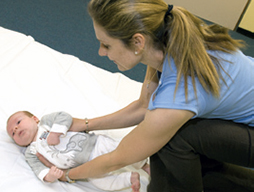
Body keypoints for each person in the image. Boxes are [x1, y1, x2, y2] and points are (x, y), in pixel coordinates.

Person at [36, 0, 254, 191]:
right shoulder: (167, 39)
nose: (101, 52)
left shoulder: (182, 91)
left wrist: (67, 175)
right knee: (169, 131)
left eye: (106, 45)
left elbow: (117, 159)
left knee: (169, 139)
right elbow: (143, 105)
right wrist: (85, 124)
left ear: (138, 42)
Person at [6, 111, 150, 192]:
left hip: (94, 145)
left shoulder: (45, 123)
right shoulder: (31, 152)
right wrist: (49, 176)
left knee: (124, 150)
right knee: (101, 183)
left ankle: (144, 164)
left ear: (34, 119)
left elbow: (64, 116)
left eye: (18, 122)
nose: (16, 129)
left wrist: (55, 133)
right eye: (12, 133)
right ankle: (130, 178)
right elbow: (38, 170)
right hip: (85, 167)